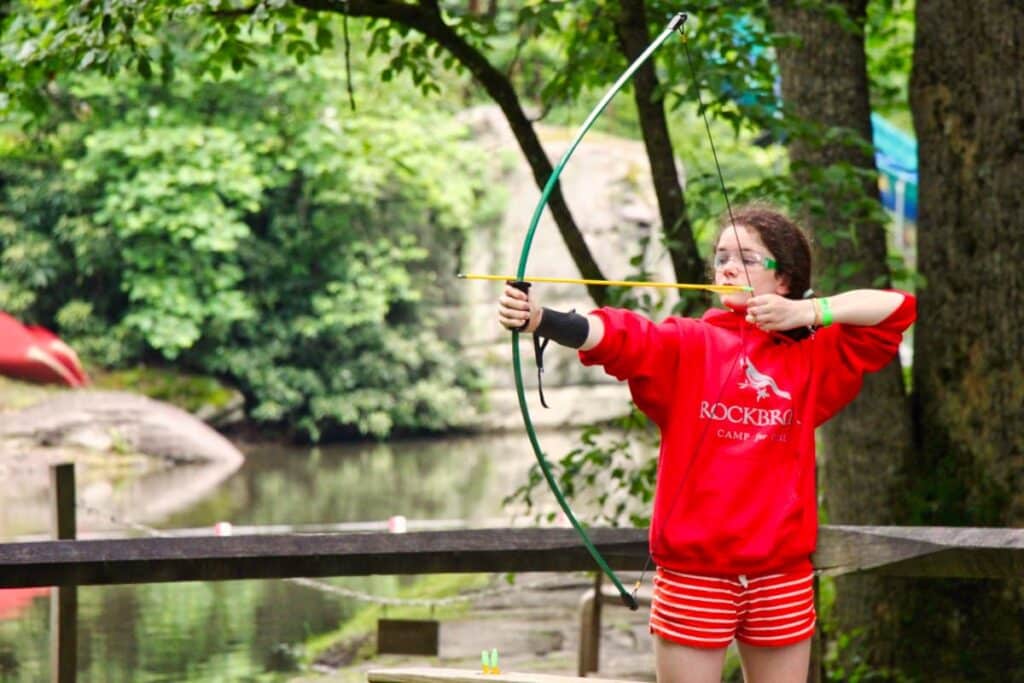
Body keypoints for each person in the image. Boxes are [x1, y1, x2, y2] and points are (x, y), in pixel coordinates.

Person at [497, 205, 916, 683]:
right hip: (695, 574)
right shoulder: (687, 342)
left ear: (785, 279)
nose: (728, 267)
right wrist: (541, 319)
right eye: (721, 258)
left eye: (748, 258)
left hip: (780, 572)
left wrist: (807, 312)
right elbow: (621, 336)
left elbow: (898, 309)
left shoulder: (812, 355)